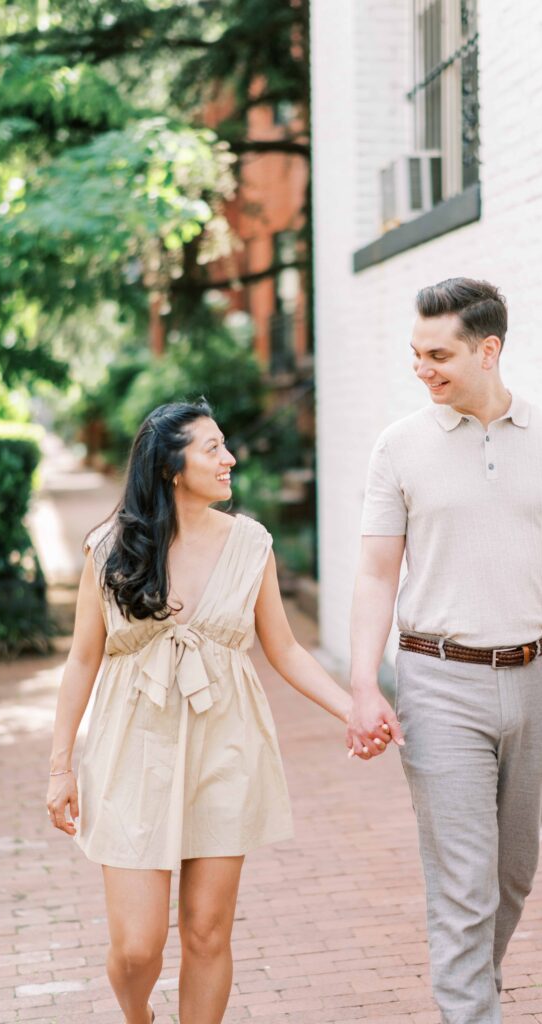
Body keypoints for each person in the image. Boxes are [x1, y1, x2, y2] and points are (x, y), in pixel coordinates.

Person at [46, 399, 392, 1024]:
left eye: (225, 444)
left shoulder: (251, 543)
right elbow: (80, 662)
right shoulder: (110, 549)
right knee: (136, 948)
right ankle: (138, 1016)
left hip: (224, 745)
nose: (229, 458)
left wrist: (353, 709)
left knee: (207, 934)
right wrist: (60, 766)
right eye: (212, 448)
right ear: (170, 466)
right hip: (130, 749)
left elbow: (284, 648)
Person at [345, 278, 542, 1023]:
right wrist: (361, 686)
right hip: (438, 680)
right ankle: (469, 1010)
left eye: (437, 354)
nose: (422, 368)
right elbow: (376, 572)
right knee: (463, 880)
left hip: (539, 676)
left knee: (512, 872)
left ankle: (473, 983)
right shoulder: (400, 446)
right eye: (414, 354)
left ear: (488, 348)